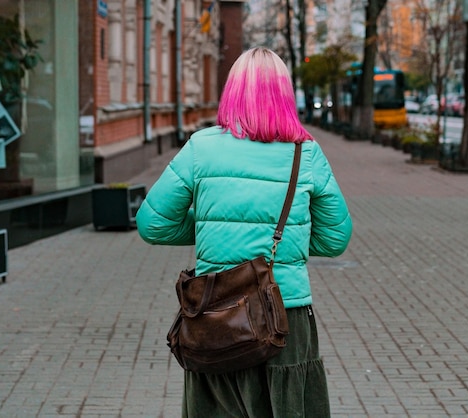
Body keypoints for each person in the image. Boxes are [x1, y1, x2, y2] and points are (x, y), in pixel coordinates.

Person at [136, 46, 352, 418]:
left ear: (232, 91)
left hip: (215, 314)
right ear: (285, 95)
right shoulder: (306, 153)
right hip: (284, 316)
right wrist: (289, 241)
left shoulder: (201, 148)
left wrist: (211, 227)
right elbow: (334, 239)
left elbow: (153, 224)